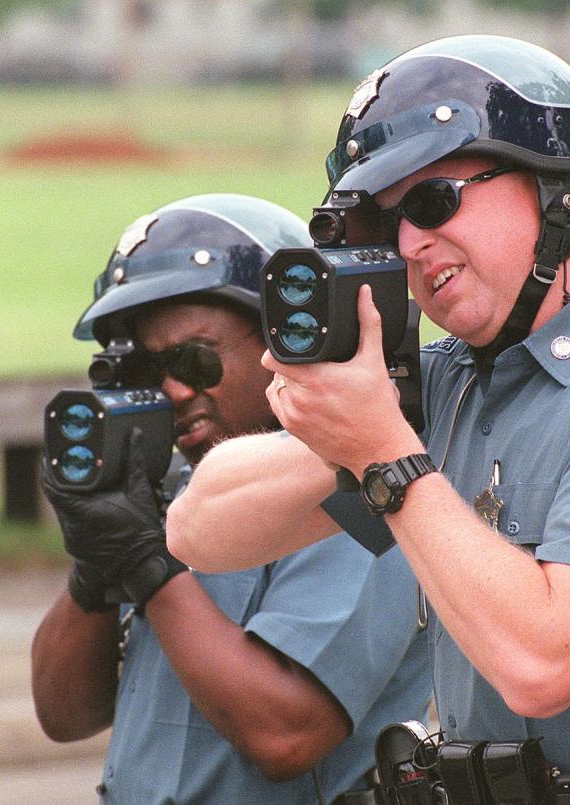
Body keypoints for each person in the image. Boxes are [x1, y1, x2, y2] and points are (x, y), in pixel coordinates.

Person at [167, 37, 570, 787]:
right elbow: (201, 528)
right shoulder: (454, 381)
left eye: (432, 200)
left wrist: (387, 457)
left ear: (562, 189)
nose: (412, 243)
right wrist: (343, 431)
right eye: (388, 223)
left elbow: (543, 662)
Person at [30, 193, 431, 804]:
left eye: (194, 359)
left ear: (284, 338)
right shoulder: (173, 494)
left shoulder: (358, 490)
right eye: (145, 370)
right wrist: (96, 561)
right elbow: (65, 714)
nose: (171, 389)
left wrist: (148, 567)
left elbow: (287, 733)